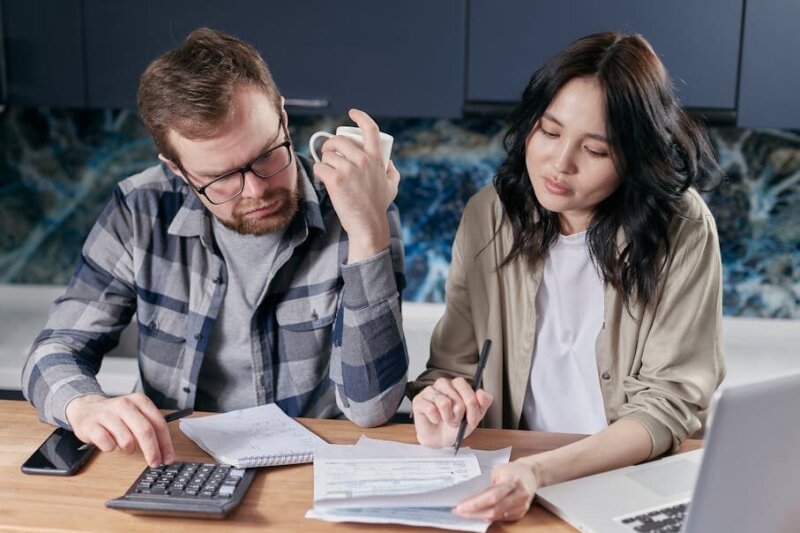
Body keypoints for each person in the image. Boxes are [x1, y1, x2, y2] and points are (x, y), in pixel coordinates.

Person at [22, 28, 408, 468]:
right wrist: (84, 406)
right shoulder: (140, 209)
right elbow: (53, 351)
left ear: (283, 119)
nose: (256, 190)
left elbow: (372, 407)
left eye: (266, 155)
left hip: (310, 471)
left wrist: (367, 229)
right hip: (178, 464)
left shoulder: (358, 205)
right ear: (179, 170)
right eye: (221, 177)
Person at [408, 31, 725, 522]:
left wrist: (541, 471)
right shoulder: (489, 215)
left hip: (625, 483)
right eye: (550, 132)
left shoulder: (681, 227)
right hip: (511, 479)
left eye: (595, 151)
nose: (560, 164)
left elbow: (668, 405)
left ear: (634, 159)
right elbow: (452, 368)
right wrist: (440, 410)